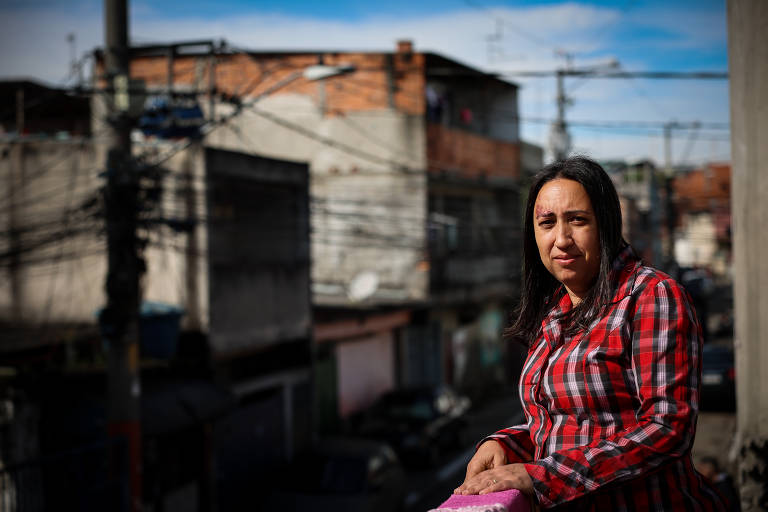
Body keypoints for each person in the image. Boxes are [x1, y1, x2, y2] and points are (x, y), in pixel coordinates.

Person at [453, 157, 727, 510]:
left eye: (578, 220)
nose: (561, 239)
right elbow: (569, 426)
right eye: (546, 223)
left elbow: (667, 427)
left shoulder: (650, 295)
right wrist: (507, 443)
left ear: (606, 225)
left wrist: (541, 478)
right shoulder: (557, 312)